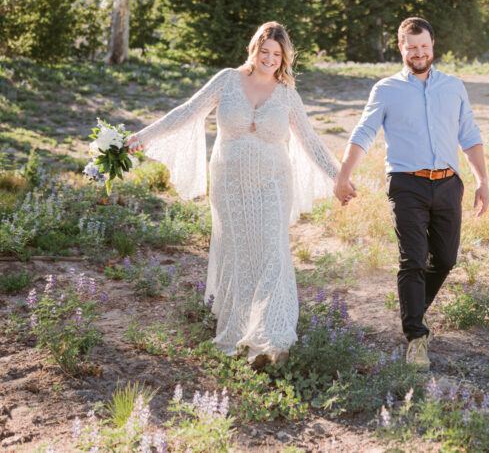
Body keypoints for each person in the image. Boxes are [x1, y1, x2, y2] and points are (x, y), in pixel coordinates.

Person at [127, 22, 339, 368]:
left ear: (284, 58)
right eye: (264, 51)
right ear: (253, 49)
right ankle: (240, 333)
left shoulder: (287, 95)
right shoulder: (227, 80)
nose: (269, 59)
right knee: (239, 254)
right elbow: (186, 111)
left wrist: (338, 178)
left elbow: (311, 142)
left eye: (276, 54)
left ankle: (272, 341)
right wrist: (143, 137)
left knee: (272, 251)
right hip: (229, 184)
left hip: (273, 183)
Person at [334, 17, 488, 369]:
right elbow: (364, 133)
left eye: (424, 46)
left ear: (433, 46)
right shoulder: (386, 89)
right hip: (407, 184)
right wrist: (344, 174)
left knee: (445, 260)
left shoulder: (453, 87)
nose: (419, 53)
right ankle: (416, 336)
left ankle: (411, 307)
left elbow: (470, 134)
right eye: (411, 47)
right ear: (401, 48)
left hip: (449, 183)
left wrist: (482, 179)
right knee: (413, 259)